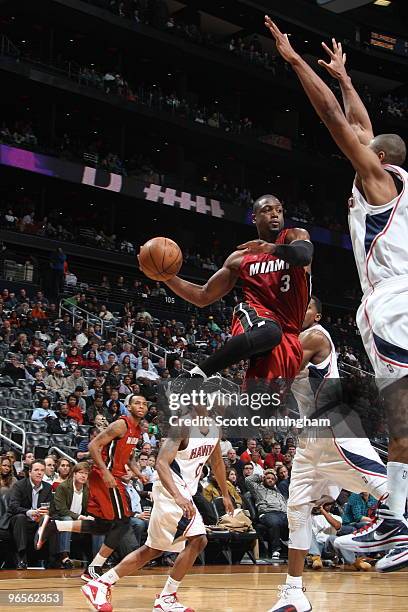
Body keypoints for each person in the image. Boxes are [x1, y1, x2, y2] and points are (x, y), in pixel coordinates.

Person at [265, 17, 408, 573]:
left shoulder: (376, 180)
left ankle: (397, 521)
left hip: (393, 302)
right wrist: (348, 79)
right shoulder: (395, 180)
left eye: (364, 147)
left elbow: (335, 122)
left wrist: (295, 61)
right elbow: (359, 120)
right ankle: (397, 519)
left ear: (378, 156)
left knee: (400, 418)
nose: (357, 145)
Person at [268, 296, 387, 611]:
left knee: (382, 486)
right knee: (296, 511)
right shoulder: (293, 338)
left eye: (306, 306)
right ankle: (293, 592)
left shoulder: (315, 336)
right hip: (310, 439)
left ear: (316, 314)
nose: (299, 308)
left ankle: (398, 527)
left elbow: (279, 370)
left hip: (336, 427)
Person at [140, 196, 312, 388]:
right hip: (255, 315)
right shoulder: (240, 258)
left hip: (288, 337)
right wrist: (167, 277)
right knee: (270, 331)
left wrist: (271, 249)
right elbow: (203, 296)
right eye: (268, 210)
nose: (275, 214)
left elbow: (304, 256)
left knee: (261, 409)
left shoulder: (294, 236)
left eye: (279, 210)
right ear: (254, 218)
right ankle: (195, 376)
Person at [81, 405, 234, 612]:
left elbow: (217, 462)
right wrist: (177, 495)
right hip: (171, 487)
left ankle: (100, 584)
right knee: (199, 539)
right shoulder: (183, 426)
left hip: (185, 491)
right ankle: (166, 598)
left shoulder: (215, 429)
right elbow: (161, 462)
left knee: (153, 550)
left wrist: (225, 494)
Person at [35, 394, 148, 580]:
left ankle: (56, 526)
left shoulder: (137, 431)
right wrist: (106, 472)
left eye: (144, 403)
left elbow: (128, 456)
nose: (142, 406)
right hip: (104, 476)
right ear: (127, 406)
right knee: (122, 522)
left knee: (105, 525)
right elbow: (94, 445)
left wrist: (138, 473)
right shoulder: (121, 424)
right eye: (137, 403)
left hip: (112, 476)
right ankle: (94, 567)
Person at [6, 460, 54, 568]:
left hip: (38, 520)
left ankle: (54, 560)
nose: (39, 473)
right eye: (36, 470)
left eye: (42, 470)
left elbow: (52, 508)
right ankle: (22, 557)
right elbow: (13, 506)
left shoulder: (47, 487)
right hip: (20, 518)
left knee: (50, 520)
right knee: (20, 518)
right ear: (30, 472)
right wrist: (29, 512)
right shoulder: (19, 485)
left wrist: (44, 514)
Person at [50, 462, 91, 568]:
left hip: (79, 519)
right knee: (68, 519)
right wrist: (79, 517)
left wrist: (91, 516)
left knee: (98, 522)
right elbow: (61, 510)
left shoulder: (87, 489)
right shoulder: (63, 487)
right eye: (81, 473)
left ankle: (97, 560)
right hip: (61, 518)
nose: (83, 476)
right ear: (74, 474)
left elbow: (90, 508)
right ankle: (64, 557)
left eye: (86, 474)